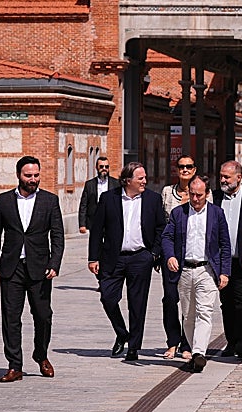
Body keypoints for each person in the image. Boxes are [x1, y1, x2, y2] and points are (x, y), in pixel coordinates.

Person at [0, 156, 65, 382]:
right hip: (11, 269)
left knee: (43, 316)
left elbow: (57, 236)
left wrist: (54, 264)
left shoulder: (50, 201)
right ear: (18, 175)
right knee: (11, 318)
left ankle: (41, 354)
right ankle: (14, 365)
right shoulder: (4, 201)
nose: (33, 180)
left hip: (40, 269)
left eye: (36, 175)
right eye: (28, 175)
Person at [88, 161, 165, 362]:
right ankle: (122, 333)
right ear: (127, 180)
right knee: (108, 297)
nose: (144, 182)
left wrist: (153, 254)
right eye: (140, 178)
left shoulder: (153, 199)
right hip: (113, 257)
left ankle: (134, 346)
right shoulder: (108, 199)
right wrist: (93, 257)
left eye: (145, 178)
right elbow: (97, 230)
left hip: (141, 257)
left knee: (137, 304)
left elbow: (161, 228)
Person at [161, 175, 231, 372]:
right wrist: (170, 256)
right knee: (188, 314)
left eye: (199, 195)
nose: (195, 198)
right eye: (192, 194)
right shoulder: (178, 213)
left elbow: (225, 244)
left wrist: (224, 272)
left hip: (207, 270)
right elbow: (167, 237)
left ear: (207, 194)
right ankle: (192, 350)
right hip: (184, 269)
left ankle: (199, 352)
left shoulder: (217, 214)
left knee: (205, 311)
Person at [159, 156, 213, 359]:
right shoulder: (167, 192)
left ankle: (189, 344)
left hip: (196, 259)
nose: (185, 169)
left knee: (195, 305)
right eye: (181, 166)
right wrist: (165, 254)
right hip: (173, 257)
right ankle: (173, 341)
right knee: (171, 299)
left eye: (189, 166)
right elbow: (163, 225)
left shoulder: (203, 192)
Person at [213, 160, 242, 359]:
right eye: (221, 176)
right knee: (226, 302)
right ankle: (230, 341)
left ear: (239, 176)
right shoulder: (215, 196)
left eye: (226, 177)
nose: (222, 180)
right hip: (222, 261)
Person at [78, 155, 119, 234]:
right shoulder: (89, 184)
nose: (104, 169)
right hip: (94, 220)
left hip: (111, 220)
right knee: (95, 244)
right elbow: (83, 205)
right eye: (101, 166)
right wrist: (82, 224)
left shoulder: (116, 183)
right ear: (96, 167)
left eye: (106, 167)